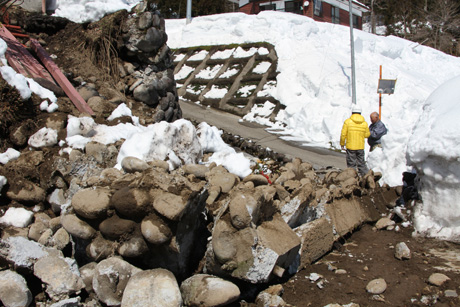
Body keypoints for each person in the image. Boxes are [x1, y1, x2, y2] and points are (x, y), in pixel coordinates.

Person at [340, 105, 370, 176]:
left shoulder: (347, 122)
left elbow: (343, 134)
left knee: (351, 165)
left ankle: (352, 178)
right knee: (361, 164)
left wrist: (342, 143)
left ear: (352, 112)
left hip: (351, 147)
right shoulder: (364, 123)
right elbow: (367, 135)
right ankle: (365, 178)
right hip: (360, 146)